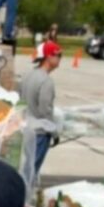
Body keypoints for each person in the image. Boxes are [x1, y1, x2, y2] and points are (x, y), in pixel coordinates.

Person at [20, 41, 62, 175]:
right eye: (58, 55)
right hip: (40, 133)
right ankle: (24, 195)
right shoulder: (46, 81)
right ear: (48, 57)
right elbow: (46, 110)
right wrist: (55, 132)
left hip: (26, 128)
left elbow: (20, 101)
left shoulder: (28, 75)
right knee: (31, 171)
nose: (60, 58)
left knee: (26, 167)